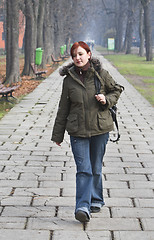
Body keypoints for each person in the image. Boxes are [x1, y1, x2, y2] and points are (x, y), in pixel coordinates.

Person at [51, 41, 123, 223]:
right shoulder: (68, 80)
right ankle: (82, 206)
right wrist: (58, 135)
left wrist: (106, 99)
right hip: (77, 131)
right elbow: (63, 108)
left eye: (81, 54)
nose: (78, 58)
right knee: (84, 169)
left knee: (96, 167)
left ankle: (96, 199)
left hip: (100, 129)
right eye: (74, 55)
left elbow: (117, 89)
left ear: (89, 54)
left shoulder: (101, 74)